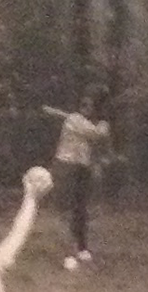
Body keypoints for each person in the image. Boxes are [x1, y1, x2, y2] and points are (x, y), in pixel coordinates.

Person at [42, 90, 111, 270]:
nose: (86, 108)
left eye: (90, 106)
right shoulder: (75, 121)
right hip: (66, 167)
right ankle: (68, 252)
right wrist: (105, 123)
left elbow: (96, 142)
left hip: (81, 167)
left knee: (81, 208)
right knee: (67, 209)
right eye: (83, 105)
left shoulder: (80, 120)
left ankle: (81, 248)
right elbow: (97, 134)